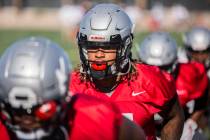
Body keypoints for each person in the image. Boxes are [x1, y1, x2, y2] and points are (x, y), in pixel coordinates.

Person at [70, 3, 184, 140]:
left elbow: (174, 116)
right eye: (92, 47)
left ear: (124, 47)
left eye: (107, 47)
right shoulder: (71, 87)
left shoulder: (150, 80)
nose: (98, 55)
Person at [0, 37, 146, 140]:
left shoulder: (96, 117)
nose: (27, 120)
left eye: (42, 110)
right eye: (16, 111)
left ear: (64, 98)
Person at [138, 32, 209, 140]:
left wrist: (192, 121)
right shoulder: (131, 79)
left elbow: (203, 95)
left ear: (174, 63)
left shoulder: (190, 74)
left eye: (163, 68)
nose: (156, 73)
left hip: (179, 127)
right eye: (150, 67)